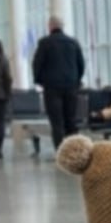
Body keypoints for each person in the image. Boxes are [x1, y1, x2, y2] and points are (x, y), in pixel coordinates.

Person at [32, 16, 85, 149]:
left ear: (50, 27)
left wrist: (39, 80)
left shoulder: (44, 43)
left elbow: (37, 64)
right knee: (71, 120)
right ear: (62, 26)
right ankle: (74, 150)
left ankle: (61, 151)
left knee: (57, 122)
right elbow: (81, 64)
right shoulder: (73, 42)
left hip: (52, 88)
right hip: (71, 86)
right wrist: (76, 80)